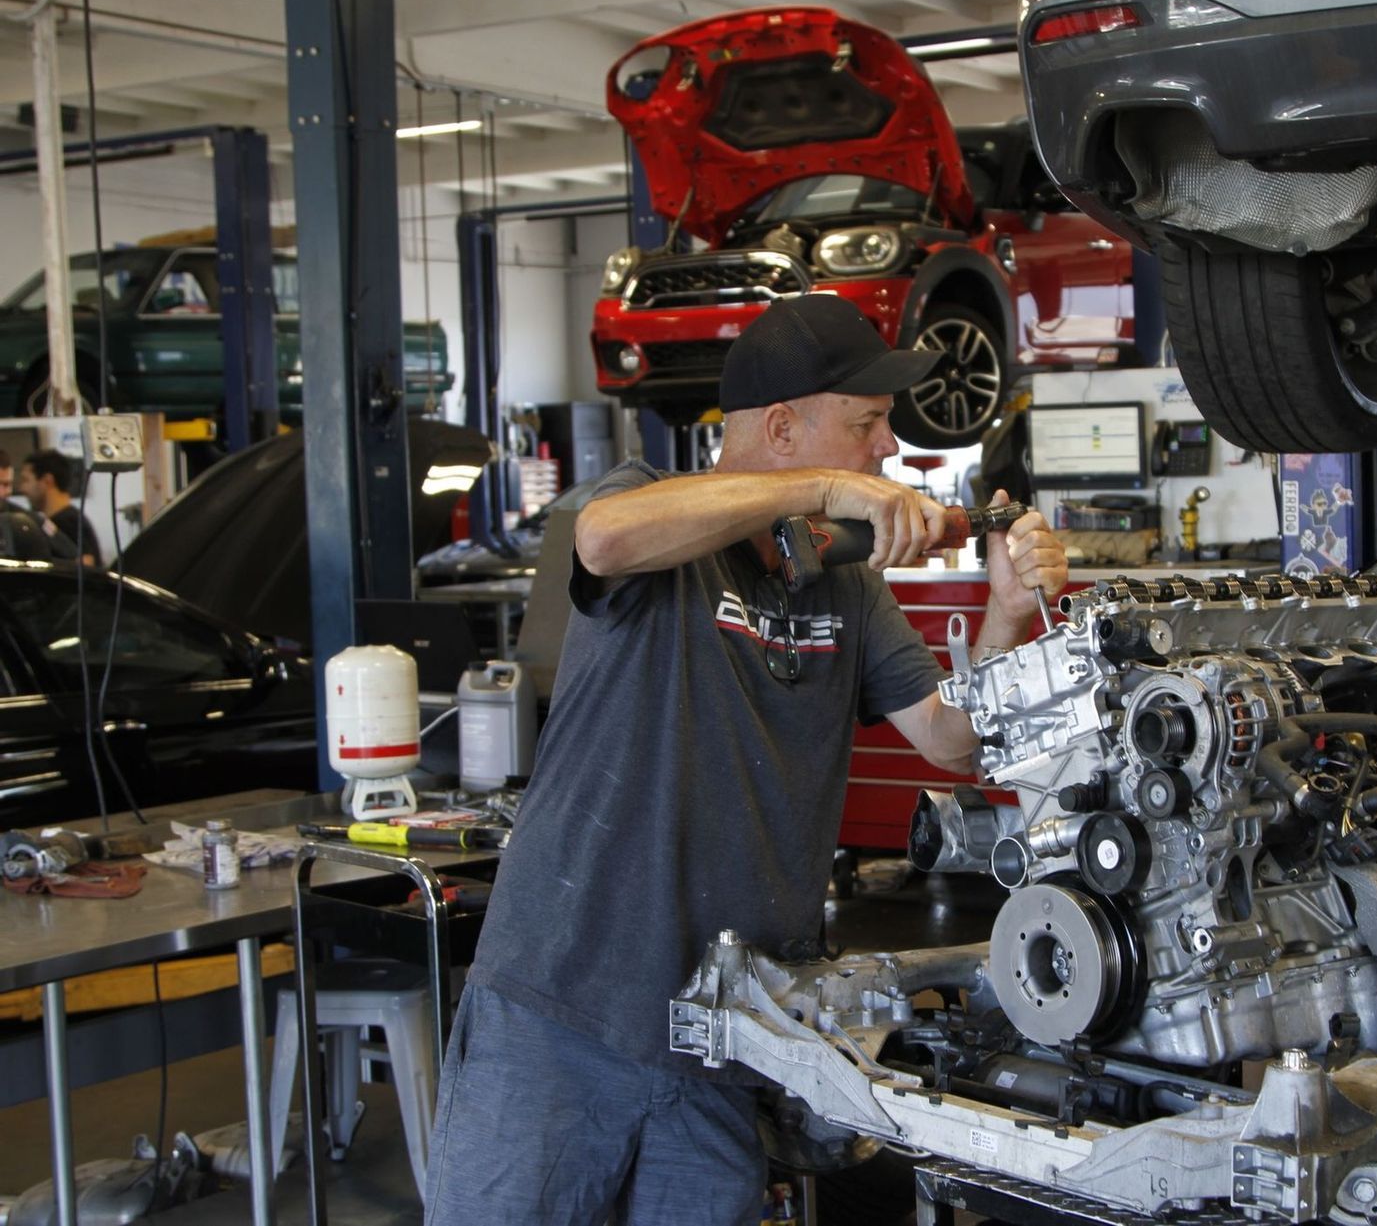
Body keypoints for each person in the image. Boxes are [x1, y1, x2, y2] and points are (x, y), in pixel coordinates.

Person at [424, 295, 1068, 1225]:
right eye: (866, 423)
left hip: (727, 1027)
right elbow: (601, 539)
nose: (888, 448)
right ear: (781, 427)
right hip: (563, 1011)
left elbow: (949, 737)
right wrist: (825, 490)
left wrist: (1006, 616)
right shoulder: (655, 517)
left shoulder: (844, 581)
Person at [19, 450, 101, 566]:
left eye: (25, 480)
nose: (22, 488)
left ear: (47, 481)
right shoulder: (65, 520)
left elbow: (86, 565)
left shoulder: (69, 523)